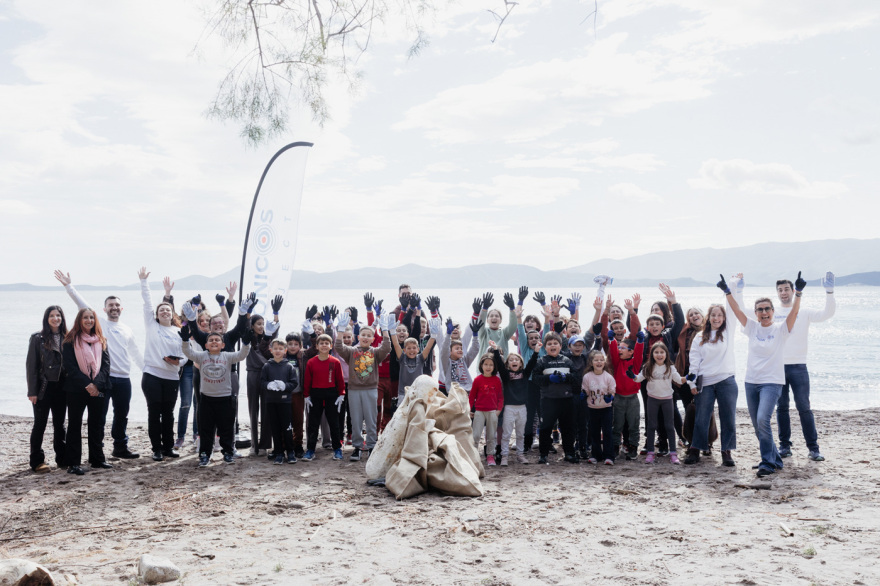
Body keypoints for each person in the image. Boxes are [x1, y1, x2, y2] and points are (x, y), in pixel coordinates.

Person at [721, 272, 804, 478]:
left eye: (767, 309)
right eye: (760, 309)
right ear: (756, 313)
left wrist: (799, 293)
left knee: (762, 420)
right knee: (758, 426)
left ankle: (767, 462)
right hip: (751, 382)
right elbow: (737, 310)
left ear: (773, 311)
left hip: (772, 383)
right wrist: (727, 291)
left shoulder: (781, 329)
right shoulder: (751, 327)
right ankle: (774, 458)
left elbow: (794, 313)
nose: (764, 312)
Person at [55, 270, 143, 459]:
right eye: (111, 305)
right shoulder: (100, 325)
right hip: (104, 379)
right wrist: (69, 286)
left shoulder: (127, 329)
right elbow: (82, 305)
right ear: (104, 309)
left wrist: (147, 371)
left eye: (117, 305)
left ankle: (120, 446)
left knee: (122, 415)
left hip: (124, 378)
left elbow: (135, 354)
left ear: (122, 309)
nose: (114, 307)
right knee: (99, 418)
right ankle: (98, 449)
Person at [774, 272, 835, 462]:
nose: (783, 293)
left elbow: (827, 314)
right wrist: (737, 291)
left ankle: (813, 448)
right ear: (777, 293)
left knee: (804, 407)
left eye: (786, 289)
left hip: (799, 366)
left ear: (793, 291)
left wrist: (829, 291)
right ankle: (785, 446)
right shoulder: (772, 312)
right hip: (777, 367)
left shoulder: (804, 312)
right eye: (780, 290)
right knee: (781, 408)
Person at [180, 328, 251, 467]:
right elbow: (187, 352)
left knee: (226, 429)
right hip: (206, 399)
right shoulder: (201, 356)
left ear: (222, 345)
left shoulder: (228, 356)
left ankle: (228, 453)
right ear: (206, 345)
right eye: (211, 340)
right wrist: (185, 340)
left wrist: (246, 343)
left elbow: (242, 355)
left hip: (225, 399)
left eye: (217, 340)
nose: (214, 342)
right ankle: (205, 454)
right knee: (206, 429)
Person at [138, 267, 185, 462]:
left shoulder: (178, 331)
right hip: (152, 376)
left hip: (172, 377)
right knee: (154, 413)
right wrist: (143, 282)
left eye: (168, 309)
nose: (165, 311)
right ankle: (156, 448)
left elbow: (186, 355)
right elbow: (148, 303)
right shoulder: (152, 325)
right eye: (161, 310)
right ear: (157, 314)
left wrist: (178, 361)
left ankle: (168, 447)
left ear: (172, 313)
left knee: (168, 414)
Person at [333, 310, 392, 461]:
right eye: (363, 335)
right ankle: (357, 447)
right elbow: (339, 347)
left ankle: (372, 445)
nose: (365, 337)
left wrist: (385, 330)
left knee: (371, 419)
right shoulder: (352, 351)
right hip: (354, 390)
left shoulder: (375, 352)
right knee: (356, 419)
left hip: (371, 389)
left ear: (373, 339)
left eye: (369, 335)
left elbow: (386, 348)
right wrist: (340, 330)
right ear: (358, 337)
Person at [684, 302, 738, 466]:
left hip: (726, 380)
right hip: (705, 382)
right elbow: (694, 361)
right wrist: (692, 384)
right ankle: (695, 449)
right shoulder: (700, 337)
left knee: (728, 417)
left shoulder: (728, 332)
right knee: (702, 417)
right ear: (708, 317)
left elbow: (733, 309)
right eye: (713, 315)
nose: (717, 318)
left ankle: (726, 451)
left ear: (724, 318)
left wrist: (731, 288)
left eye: (720, 315)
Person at [61, 308, 111, 475]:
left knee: (96, 424)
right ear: (79, 320)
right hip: (76, 389)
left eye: (91, 317)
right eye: (85, 318)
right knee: (75, 425)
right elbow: (70, 367)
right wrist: (87, 384)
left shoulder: (101, 340)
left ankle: (97, 459)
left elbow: (106, 366)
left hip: (98, 388)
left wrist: (96, 384)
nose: (89, 320)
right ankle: (73, 463)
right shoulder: (69, 341)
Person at [26, 306, 68, 473]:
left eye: (58, 315)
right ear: (47, 318)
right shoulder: (38, 338)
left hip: (62, 388)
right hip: (44, 387)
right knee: (40, 424)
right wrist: (32, 391)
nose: (55, 318)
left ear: (62, 318)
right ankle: (37, 461)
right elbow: (31, 366)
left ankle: (62, 459)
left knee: (60, 425)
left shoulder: (68, 337)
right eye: (52, 315)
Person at [627, 342, 684, 464]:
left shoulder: (670, 367)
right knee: (652, 426)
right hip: (652, 399)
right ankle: (650, 453)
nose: (659, 355)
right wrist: (632, 376)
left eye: (662, 352)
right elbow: (638, 378)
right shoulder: (648, 367)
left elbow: (679, 379)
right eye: (656, 352)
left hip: (667, 399)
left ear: (666, 354)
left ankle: (673, 453)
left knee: (669, 426)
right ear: (652, 354)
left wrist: (689, 378)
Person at [533, 332, 580, 465]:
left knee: (567, 428)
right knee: (545, 428)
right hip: (548, 400)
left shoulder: (567, 361)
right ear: (545, 347)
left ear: (560, 346)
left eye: (555, 343)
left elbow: (576, 379)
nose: (552, 346)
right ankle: (543, 455)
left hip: (566, 400)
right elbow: (535, 379)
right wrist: (549, 378)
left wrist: (566, 377)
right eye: (549, 344)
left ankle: (569, 454)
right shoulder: (541, 361)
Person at [302, 334, 346, 462]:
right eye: (321, 343)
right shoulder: (311, 362)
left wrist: (341, 394)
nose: (324, 345)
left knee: (334, 423)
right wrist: (306, 395)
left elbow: (340, 379)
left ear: (331, 346)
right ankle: (310, 450)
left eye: (327, 343)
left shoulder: (335, 362)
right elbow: (307, 380)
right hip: (315, 394)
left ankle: (337, 448)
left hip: (331, 394)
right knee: (313, 424)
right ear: (316, 346)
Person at [493, 343, 539, 466]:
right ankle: (504, 456)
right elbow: (500, 365)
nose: (514, 361)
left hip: (522, 408)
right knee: (506, 434)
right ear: (508, 364)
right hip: (509, 408)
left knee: (520, 433)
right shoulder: (506, 375)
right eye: (511, 360)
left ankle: (520, 454)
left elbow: (531, 364)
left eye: (516, 359)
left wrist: (536, 352)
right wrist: (496, 350)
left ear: (520, 363)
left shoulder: (524, 374)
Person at [260, 339, 299, 464]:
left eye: (280, 349)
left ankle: (291, 452)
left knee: (287, 428)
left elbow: (294, 383)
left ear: (285, 351)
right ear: (271, 350)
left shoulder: (289, 367)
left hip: (285, 402)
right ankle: (279, 452)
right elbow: (262, 382)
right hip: (271, 402)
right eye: (275, 348)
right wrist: (268, 385)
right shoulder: (266, 366)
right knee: (275, 428)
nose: (278, 351)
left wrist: (285, 386)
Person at [608, 332, 645, 460]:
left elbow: (639, 353)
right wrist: (612, 340)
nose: (619, 350)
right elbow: (613, 352)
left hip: (633, 399)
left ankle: (633, 448)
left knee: (633, 425)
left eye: (623, 348)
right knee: (617, 425)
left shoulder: (635, 363)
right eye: (619, 347)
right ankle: (615, 448)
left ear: (631, 352)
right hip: (618, 398)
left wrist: (640, 341)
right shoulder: (618, 363)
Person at [471, 349, 504, 466]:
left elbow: (500, 397)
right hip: (479, 411)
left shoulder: (497, 380)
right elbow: (471, 397)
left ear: (494, 366)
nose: (488, 367)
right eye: (486, 364)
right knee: (475, 435)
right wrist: (471, 410)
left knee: (491, 435)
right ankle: (473, 456)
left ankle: (490, 456)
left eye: (491, 365)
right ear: (481, 365)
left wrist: (498, 410)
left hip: (492, 412)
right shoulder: (477, 380)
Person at [582, 350, 616, 465]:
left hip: (606, 408)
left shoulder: (608, 377)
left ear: (604, 362)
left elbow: (612, 391)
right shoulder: (587, 377)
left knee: (607, 432)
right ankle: (596, 455)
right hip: (592, 409)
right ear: (591, 362)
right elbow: (585, 390)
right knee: (594, 432)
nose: (599, 362)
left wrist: (610, 397)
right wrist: (583, 394)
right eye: (596, 360)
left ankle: (609, 456)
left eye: (601, 360)